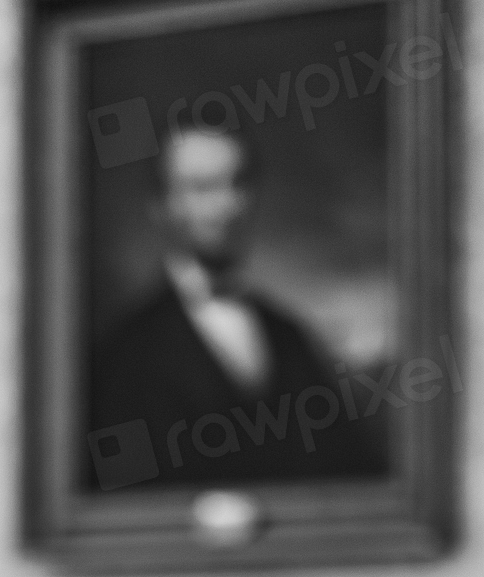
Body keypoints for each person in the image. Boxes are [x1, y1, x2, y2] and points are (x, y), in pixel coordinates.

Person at [90, 128, 386, 488]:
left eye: (238, 184)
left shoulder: (289, 335)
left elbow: (351, 471)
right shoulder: (126, 351)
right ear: (160, 206)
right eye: (203, 188)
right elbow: (119, 498)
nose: (226, 206)